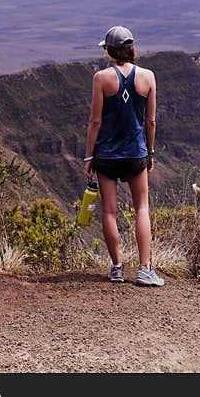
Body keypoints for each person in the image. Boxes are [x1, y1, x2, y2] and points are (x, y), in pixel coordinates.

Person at [83, 25, 163, 286]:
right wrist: (150, 152)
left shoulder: (101, 78)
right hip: (136, 153)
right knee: (142, 207)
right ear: (131, 49)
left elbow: (95, 122)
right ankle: (144, 269)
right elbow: (150, 121)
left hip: (106, 154)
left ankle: (117, 268)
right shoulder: (148, 77)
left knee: (109, 211)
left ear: (109, 51)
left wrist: (88, 157)